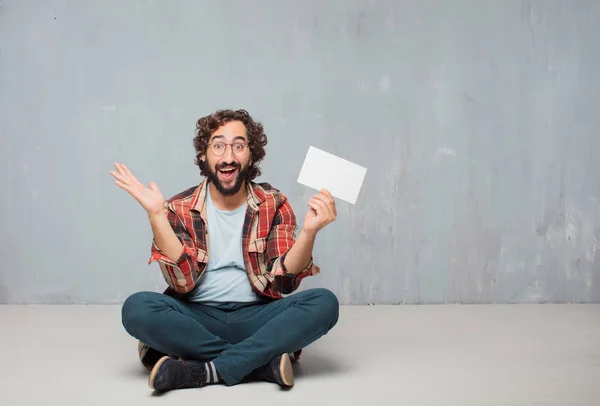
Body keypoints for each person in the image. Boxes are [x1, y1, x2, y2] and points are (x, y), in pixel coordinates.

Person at [110, 109, 339, 392]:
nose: (228, 156)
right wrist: (157, 216)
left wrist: (309, 232)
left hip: (258, 317)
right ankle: (259, 363)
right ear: (204, 155)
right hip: (196, 319)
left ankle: (203, 371)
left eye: (239, 146)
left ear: (250, 156)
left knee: (325, 303)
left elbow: (284, 282)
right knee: (137, 308)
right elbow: (182, 282)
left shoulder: (274, 203)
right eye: (218, 145)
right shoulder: (179, 208)